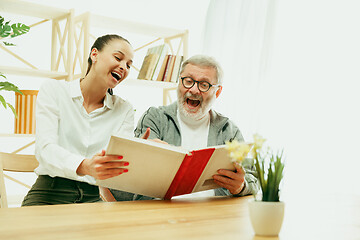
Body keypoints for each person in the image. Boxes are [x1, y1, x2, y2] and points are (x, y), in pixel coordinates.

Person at [108, 55, 259, 201]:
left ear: (217, 92)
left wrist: (241, 186)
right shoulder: (155, 118)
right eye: (188, 81)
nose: (193, 90)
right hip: (162, 214)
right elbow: (132, 179)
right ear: (179, 82)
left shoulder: (229, 130)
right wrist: (140, 157)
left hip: (213, 215)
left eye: (204, 85)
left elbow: (253, 179)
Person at [22, 34, 137, 206]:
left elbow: (117, 162)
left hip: (92, 198)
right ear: (94, 55)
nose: (123, 67)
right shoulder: (54, 90)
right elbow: (45, 150)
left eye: (128, 65)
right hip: (48, 194)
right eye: (118, 58)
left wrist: (143, 152)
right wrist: (85, 166)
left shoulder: (124, 109)